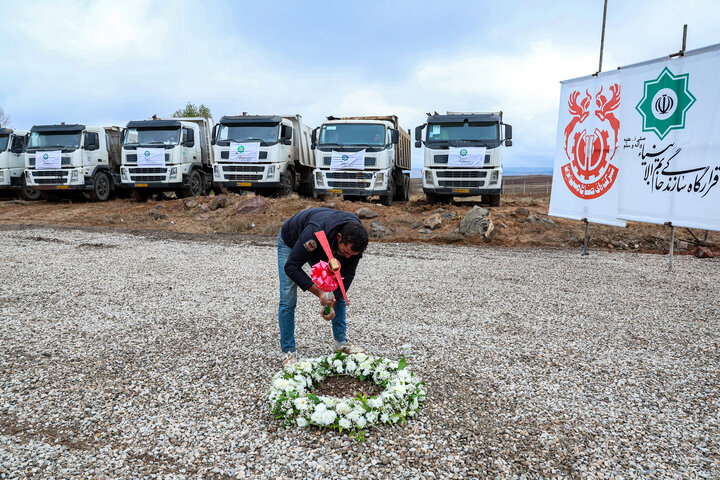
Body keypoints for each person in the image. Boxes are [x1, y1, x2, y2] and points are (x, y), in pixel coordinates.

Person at [277, 207, 369, 367]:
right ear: (340, 237)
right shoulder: (314, 232)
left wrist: (331, 303)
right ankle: (288, 353)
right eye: (346, 252)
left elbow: (345, 278)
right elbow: (291, 267)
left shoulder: (355, 242)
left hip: (326, 245)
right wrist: (319, 292)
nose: (348, 257)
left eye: (351, 255)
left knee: (336, 287)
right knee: (288, 297)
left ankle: (341, 343)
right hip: (292, 242)